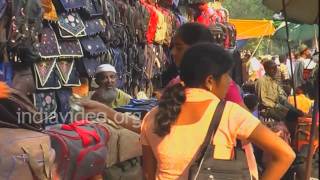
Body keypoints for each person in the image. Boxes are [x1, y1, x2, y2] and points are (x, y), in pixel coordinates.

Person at [141, 43, 295, 180]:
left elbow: (148, 174)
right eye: (226, 75)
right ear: (210, 81)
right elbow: (285, 154)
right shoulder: (230, 113)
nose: (229, 81)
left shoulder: (153, 116)